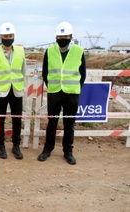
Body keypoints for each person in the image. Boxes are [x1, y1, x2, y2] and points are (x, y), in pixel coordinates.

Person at [38, 21, 86, 165]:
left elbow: (82, 74)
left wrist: (74, 88)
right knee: (52, 123)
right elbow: (45, 73)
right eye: (59, 36)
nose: (61, 39)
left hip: (71, 94)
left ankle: (68, 152)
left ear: (71, 37)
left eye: (64, 36)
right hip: (54, 93)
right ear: (56, 37)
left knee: (69, 124)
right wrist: (53, 86)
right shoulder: (50, 51)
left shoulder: (79, 51)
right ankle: (47, 149)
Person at [0, 22, 26, 160]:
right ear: (0, 37)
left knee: (17, 119)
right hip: (1, 92)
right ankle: (1, 145)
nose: (8, 38)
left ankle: (16, 146)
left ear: (14, 36)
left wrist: (22, 86)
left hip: (16, 90)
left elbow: (23, 71)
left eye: (10, 35)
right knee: (0, 120)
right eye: (5, 36)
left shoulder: (20, 51)